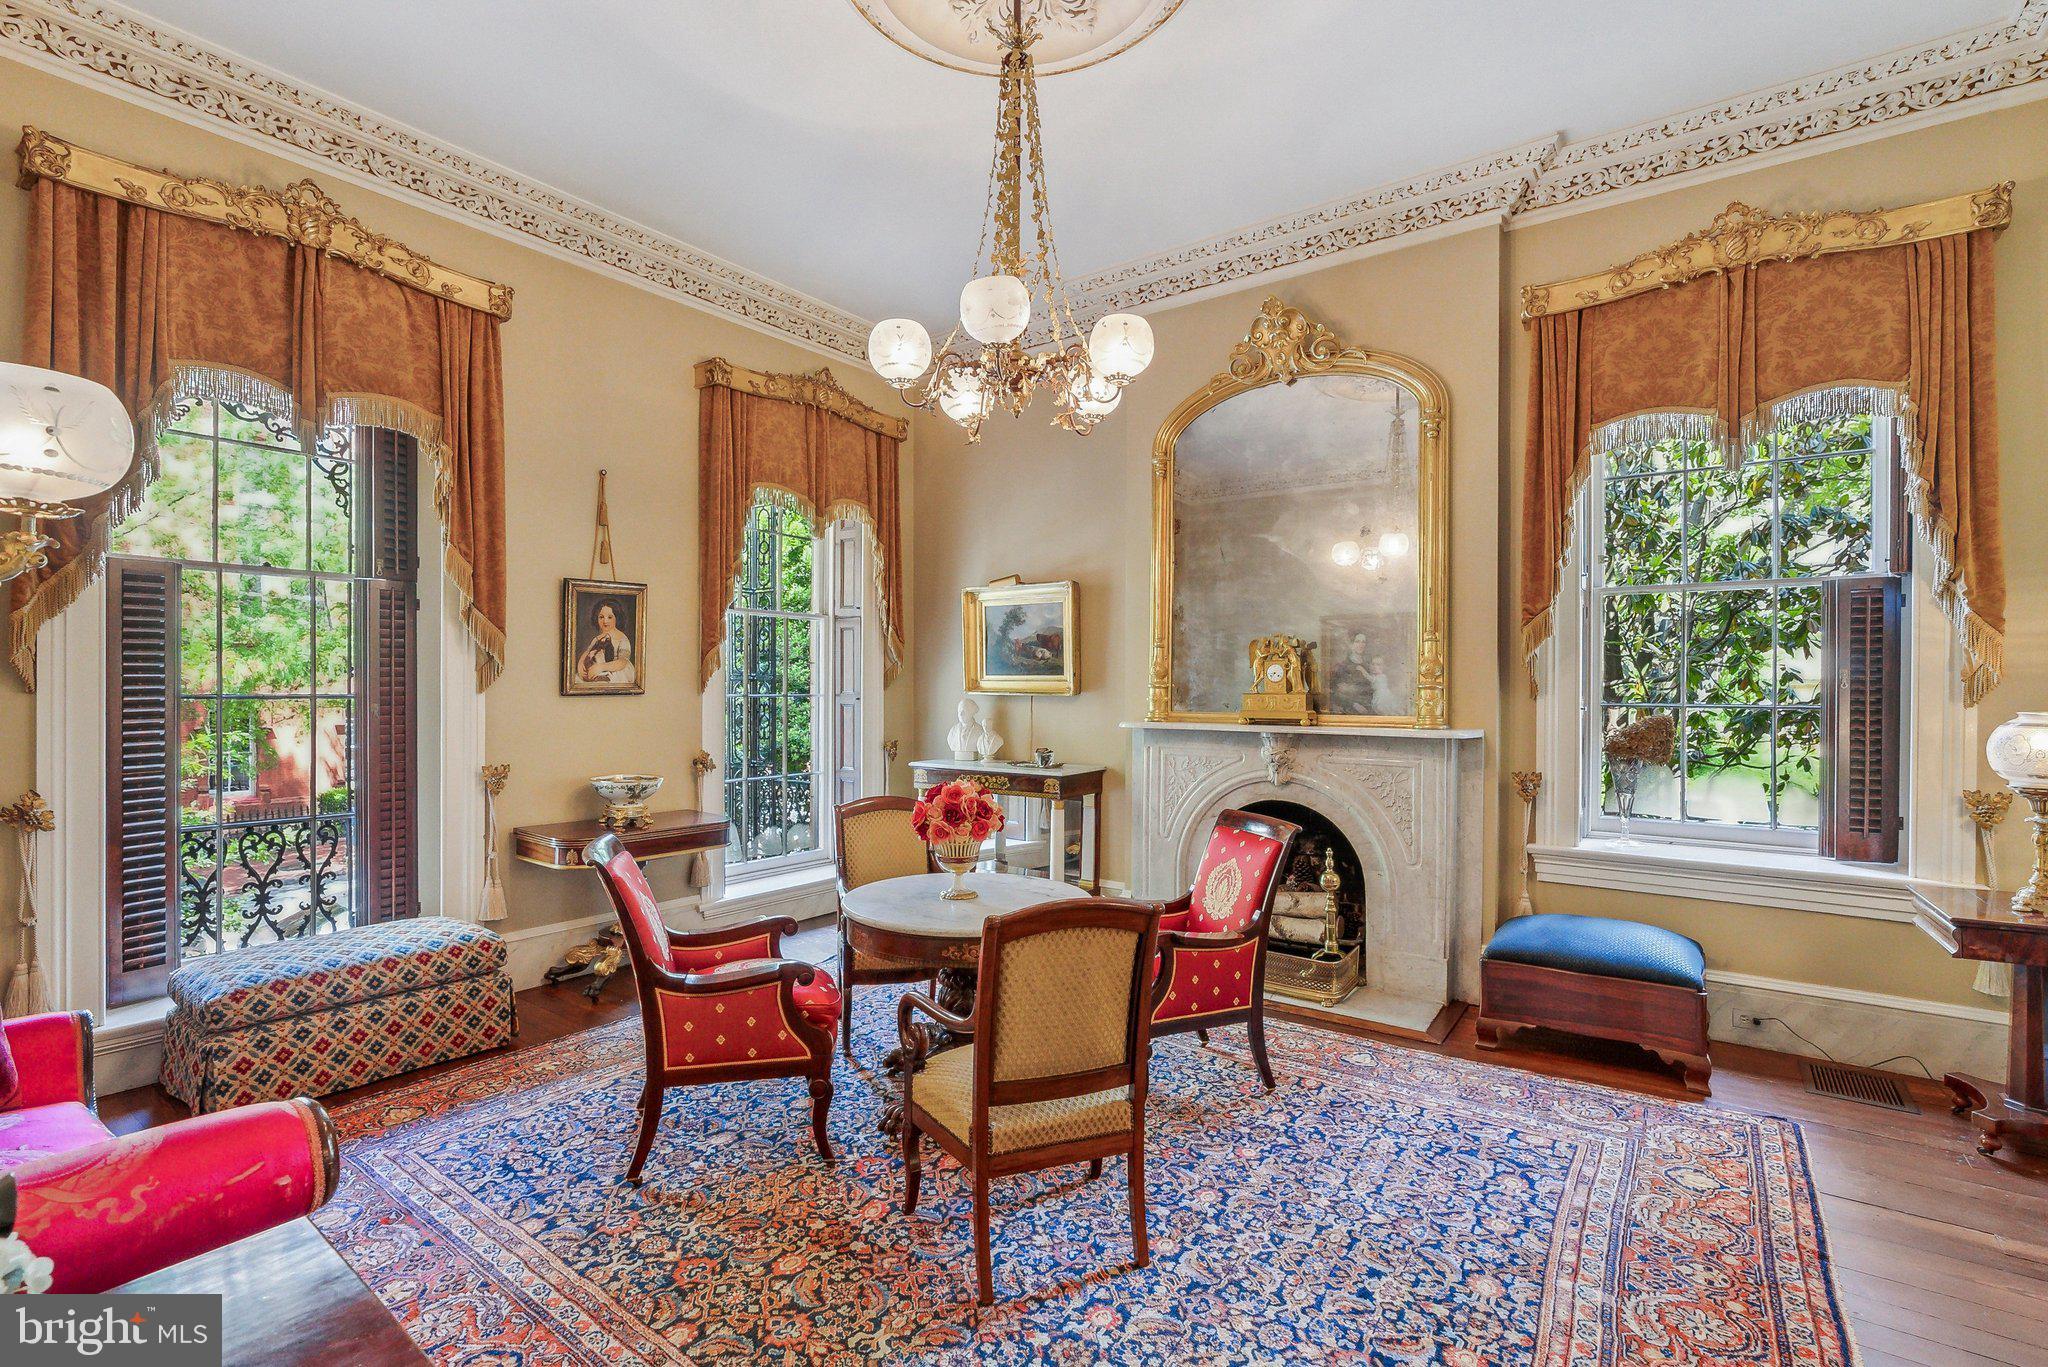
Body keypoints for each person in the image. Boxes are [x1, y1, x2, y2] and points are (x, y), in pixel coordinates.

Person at [577, 599, 636, 687]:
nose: (605, 621)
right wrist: (580, 664)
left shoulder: (622, 638)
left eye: (610, 617)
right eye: (601, 617)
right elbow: (587, 652)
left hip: (616, 672)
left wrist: (601, 667)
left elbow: (623, 662)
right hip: (597, 671)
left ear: (617, 618)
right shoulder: (597, 639)